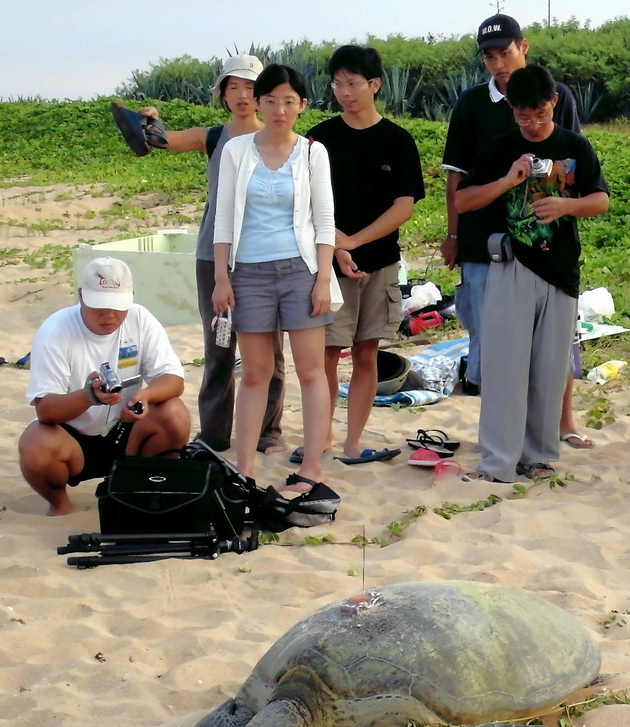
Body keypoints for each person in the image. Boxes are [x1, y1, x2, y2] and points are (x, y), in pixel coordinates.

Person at [441, 14, 591, 449]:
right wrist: (452, 235)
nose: (497, 63)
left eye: (504, 52)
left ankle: (560, 424)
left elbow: (572, 159)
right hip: (485, 242)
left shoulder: (555, 93)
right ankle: (501, 435)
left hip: (547, 240)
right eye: (489, 56)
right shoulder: (471, 104)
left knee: (555, 341)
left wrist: (562, 204)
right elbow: (456, 177)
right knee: (494, 342)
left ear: (523, 47)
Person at [454, 64, 609, 483]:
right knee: (505, 367)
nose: (534, 123)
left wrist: (565, 205)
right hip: (511, 267)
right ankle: (497, 463)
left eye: (541, 113)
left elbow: (600, 200)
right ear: (511, 109)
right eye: (524, 116)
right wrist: (508, 180)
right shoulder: (499, 147)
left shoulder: (575, 144)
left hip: (561, 271)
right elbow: (464, 201)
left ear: (554, 103)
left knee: (549, 368)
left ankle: (538, 455)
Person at [137, 55, 286, 454]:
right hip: (212, 255)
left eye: (252, 88)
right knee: (218, 346)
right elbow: (159, 139)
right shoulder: (214, 136)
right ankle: (215, 434)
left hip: (264, 254)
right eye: (233, 87)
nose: (242, 95)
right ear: (222, 94)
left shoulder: (278, 136)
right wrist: (147, 119)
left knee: (268, 347)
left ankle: (268, 433)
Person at [213, 64, 337, 500]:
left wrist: (323, 279)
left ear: (302, 105)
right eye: (270, 100)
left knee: (310, 371)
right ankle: (244, 467)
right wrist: (220, 278)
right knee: (255, 373)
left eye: (288, 101)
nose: (279, 109)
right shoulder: (237, 151)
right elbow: (223, 218)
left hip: (299, 271)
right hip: (248, 273)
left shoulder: (311, 153)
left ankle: (313, 466)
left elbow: (324, 222)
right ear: (259, 103)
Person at [306, 45, 425, 463]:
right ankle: (318, 439)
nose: (344, 92)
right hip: (328, 264)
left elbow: (404, 205)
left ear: (374, 85)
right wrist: (337, 244)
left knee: (366, 353)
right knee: (324, 354)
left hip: (381, 262)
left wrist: (355, 241)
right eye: (337, 84)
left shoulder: (397, 139)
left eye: (352, 83)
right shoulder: (320, 139)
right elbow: (305, 201)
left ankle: (352, 442)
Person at [19, 257, 190, 516]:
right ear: (80, 296)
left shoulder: (141, 319)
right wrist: (88, 396)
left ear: (130, 297)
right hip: (72, 436)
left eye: (117, 306)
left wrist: (145, 396)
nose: (109, 316)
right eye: (99, 306)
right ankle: (60, 505)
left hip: (125, 430)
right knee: (35, 444)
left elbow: (173, 378)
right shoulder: (55, 330)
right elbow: (45, 410)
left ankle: (145, 489)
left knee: (174, 413)